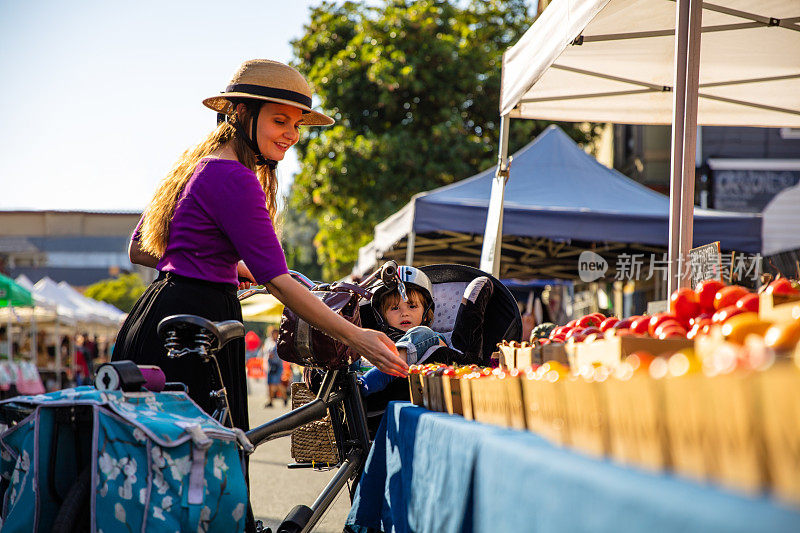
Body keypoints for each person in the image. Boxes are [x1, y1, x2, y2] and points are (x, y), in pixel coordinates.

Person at [113, 59, 407, 434]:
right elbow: (279, 282)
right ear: (240, 112)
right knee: (205, 470)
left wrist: (227, 266)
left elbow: (141, 248)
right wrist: (358, 337)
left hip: (154, 320)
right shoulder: (235, 177)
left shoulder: (195, 166)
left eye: (297, 124)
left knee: (151, 469)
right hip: (198, 329)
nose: (291, 134)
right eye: (279, 120)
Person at [359, 266, 493, 396]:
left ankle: (385, 370)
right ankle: (374, 373)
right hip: (367, 387)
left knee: (424, 333)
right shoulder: (377, 337)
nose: (404, 313)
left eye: (412, 306)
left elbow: (455, 352)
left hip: (395, 385)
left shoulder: (433, 336)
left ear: (426, 313)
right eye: (395, 308)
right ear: (382, 316)